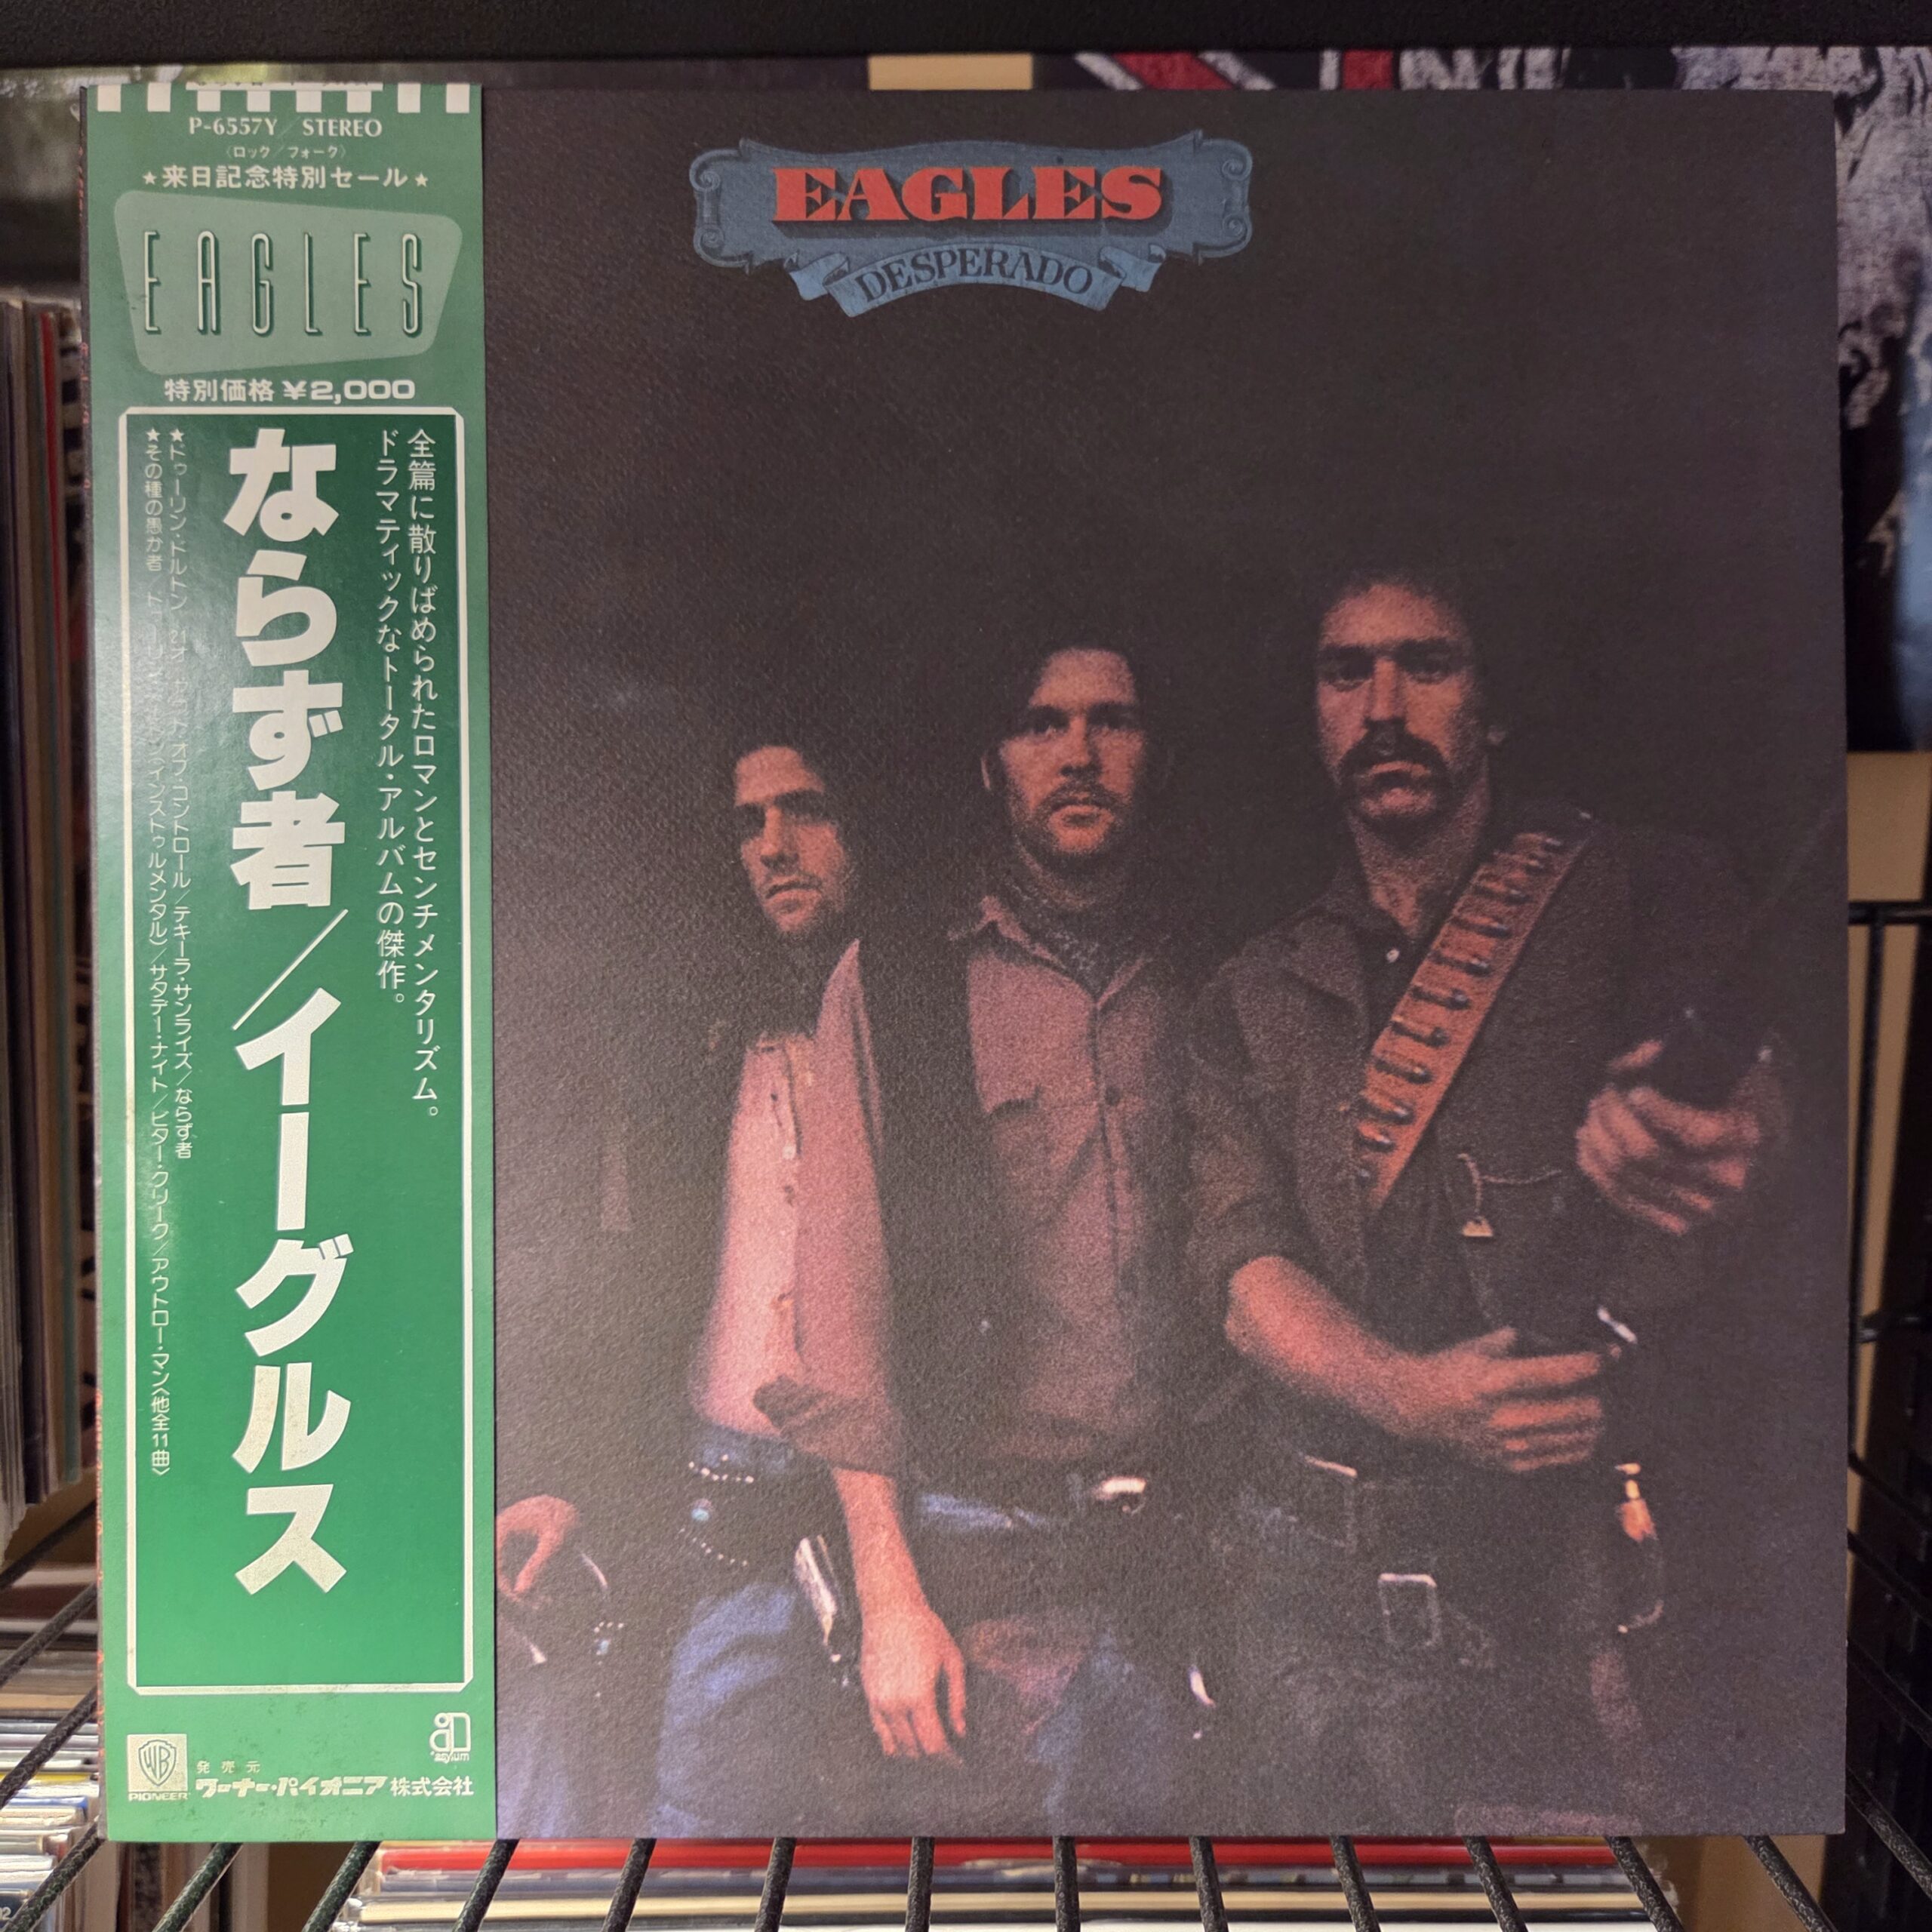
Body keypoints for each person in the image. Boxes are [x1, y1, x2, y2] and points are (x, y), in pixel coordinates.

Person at [1186, 568, 1779, 1830]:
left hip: (1584, 1599)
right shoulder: (1254, 989)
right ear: (1315, 714)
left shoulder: (1640, 893)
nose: (1383, 707)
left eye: (1428, 664)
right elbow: (1241, 1267)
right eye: (1346, 673)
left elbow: (1756, 1110)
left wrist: (1727, 1135)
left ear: (1493, 706)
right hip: (1322, 1612)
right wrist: (1409, 1393)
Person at [759, 645, 1204, 1830]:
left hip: (1190, 1564)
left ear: (1158, 756)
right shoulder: (896, 978)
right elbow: (840, 1305)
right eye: (1040, 726)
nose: (1077, 754)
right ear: (992, 765)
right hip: (979, 1567)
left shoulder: (1211, 969)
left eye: (1112, 722)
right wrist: (889, 1599)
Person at [495, 724, 875, 1835]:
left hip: (906, 1501)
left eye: (807, 810)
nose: (774, 846)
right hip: (721, 1494)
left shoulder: (927, 1024)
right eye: (749, 824)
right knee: (699, 1839)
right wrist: (578, 1477)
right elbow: (630, 1285)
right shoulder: (701, 1045)